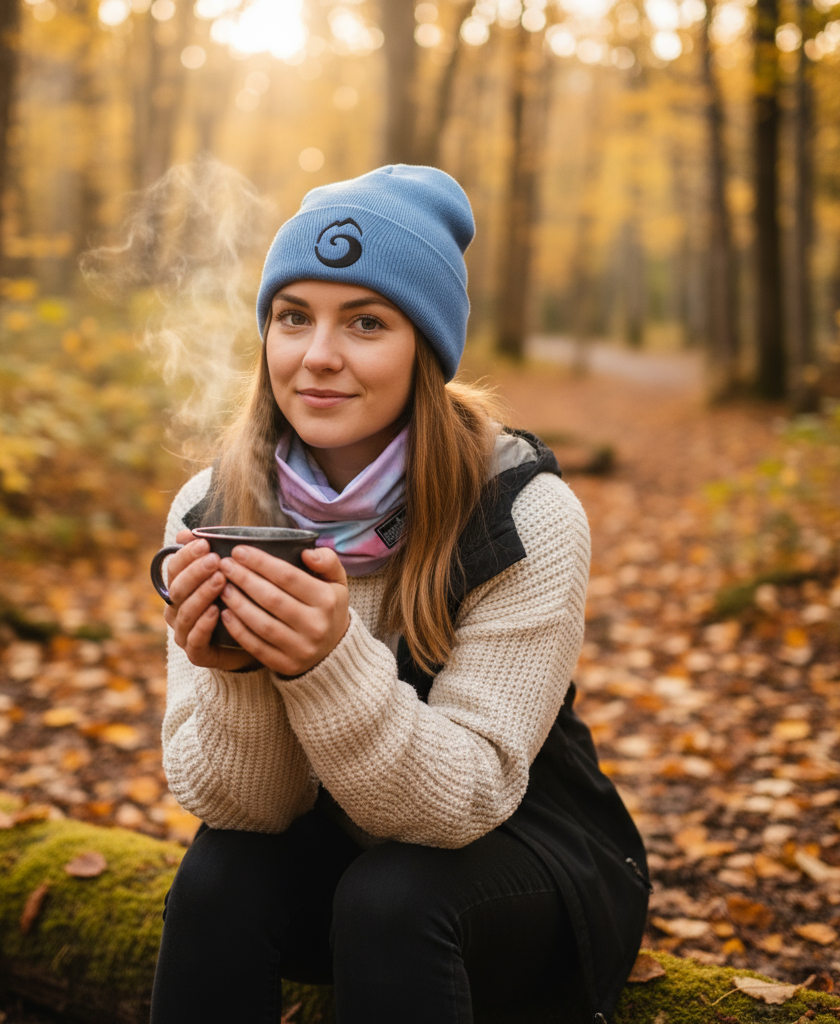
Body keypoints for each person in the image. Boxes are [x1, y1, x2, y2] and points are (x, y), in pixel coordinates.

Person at [150, 165, 649, 1024]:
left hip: (522, 860)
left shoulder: (521, 512)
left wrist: (325, 664)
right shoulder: (211, 508)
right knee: (216, 875)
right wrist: (239, 671)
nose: (318, 355)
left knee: (392, 896)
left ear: (426, 347)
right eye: (293, 316)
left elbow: (468, 799)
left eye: (367, 322)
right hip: (338, 847)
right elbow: (246, 811)